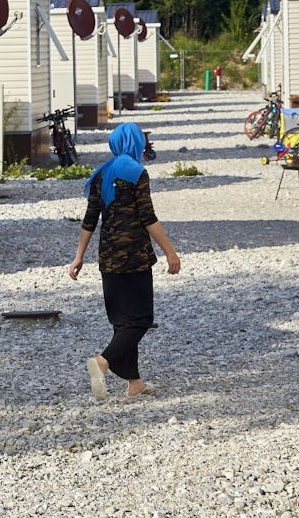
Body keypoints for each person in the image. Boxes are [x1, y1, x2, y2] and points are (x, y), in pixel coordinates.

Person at [67, 122, 181, 401]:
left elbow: (89, 220)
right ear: (135, 143)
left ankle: (134, 382)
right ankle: (103, 362)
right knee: (141, 320)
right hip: (135, 259)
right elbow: (148, 217)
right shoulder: (137, 173)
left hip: (108, 258)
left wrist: (79, 256)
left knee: (122, 322)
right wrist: (170, 251)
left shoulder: (100, 174)